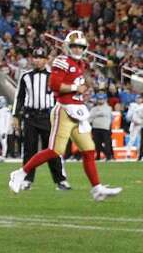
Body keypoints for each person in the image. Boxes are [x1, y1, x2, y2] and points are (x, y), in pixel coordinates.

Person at [9, 31, 122, 201]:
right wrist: (75, 89)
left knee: (89, 151)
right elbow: (54, 84)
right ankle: (20, 173)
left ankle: (97, 188)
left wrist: (83, 88)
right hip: (63, 110)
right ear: (68, 46)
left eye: (81, 46)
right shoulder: (62, 60)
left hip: (77, 110)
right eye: (74, 46)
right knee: (55, 150)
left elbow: (76, 85)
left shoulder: (80, 64)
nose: (77, 49)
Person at [13, 47, 68, 190]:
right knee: (29, 149)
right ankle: (27, 179)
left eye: (40, 58)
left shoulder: (53, 76)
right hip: (30, 116)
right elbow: (19, 98)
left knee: (52, 149)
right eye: (35, 58)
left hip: (47, 117)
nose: (37, 61)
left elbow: (60, 97)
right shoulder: (25, 76)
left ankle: (60, 180)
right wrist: (15, 116)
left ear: (46, 59)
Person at [89, 94, 114, 160]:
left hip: (105, 127)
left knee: (107, 143)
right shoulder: (93, 108)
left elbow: (105, 114)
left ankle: (109, 156)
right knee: (97, 143)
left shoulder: (109, 108)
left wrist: (96, 114)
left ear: (105, 100)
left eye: (102, 99)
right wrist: (98, 114)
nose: (100, 100)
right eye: (99, 99)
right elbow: (89, 118)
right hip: (95, 127)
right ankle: (98, 156)